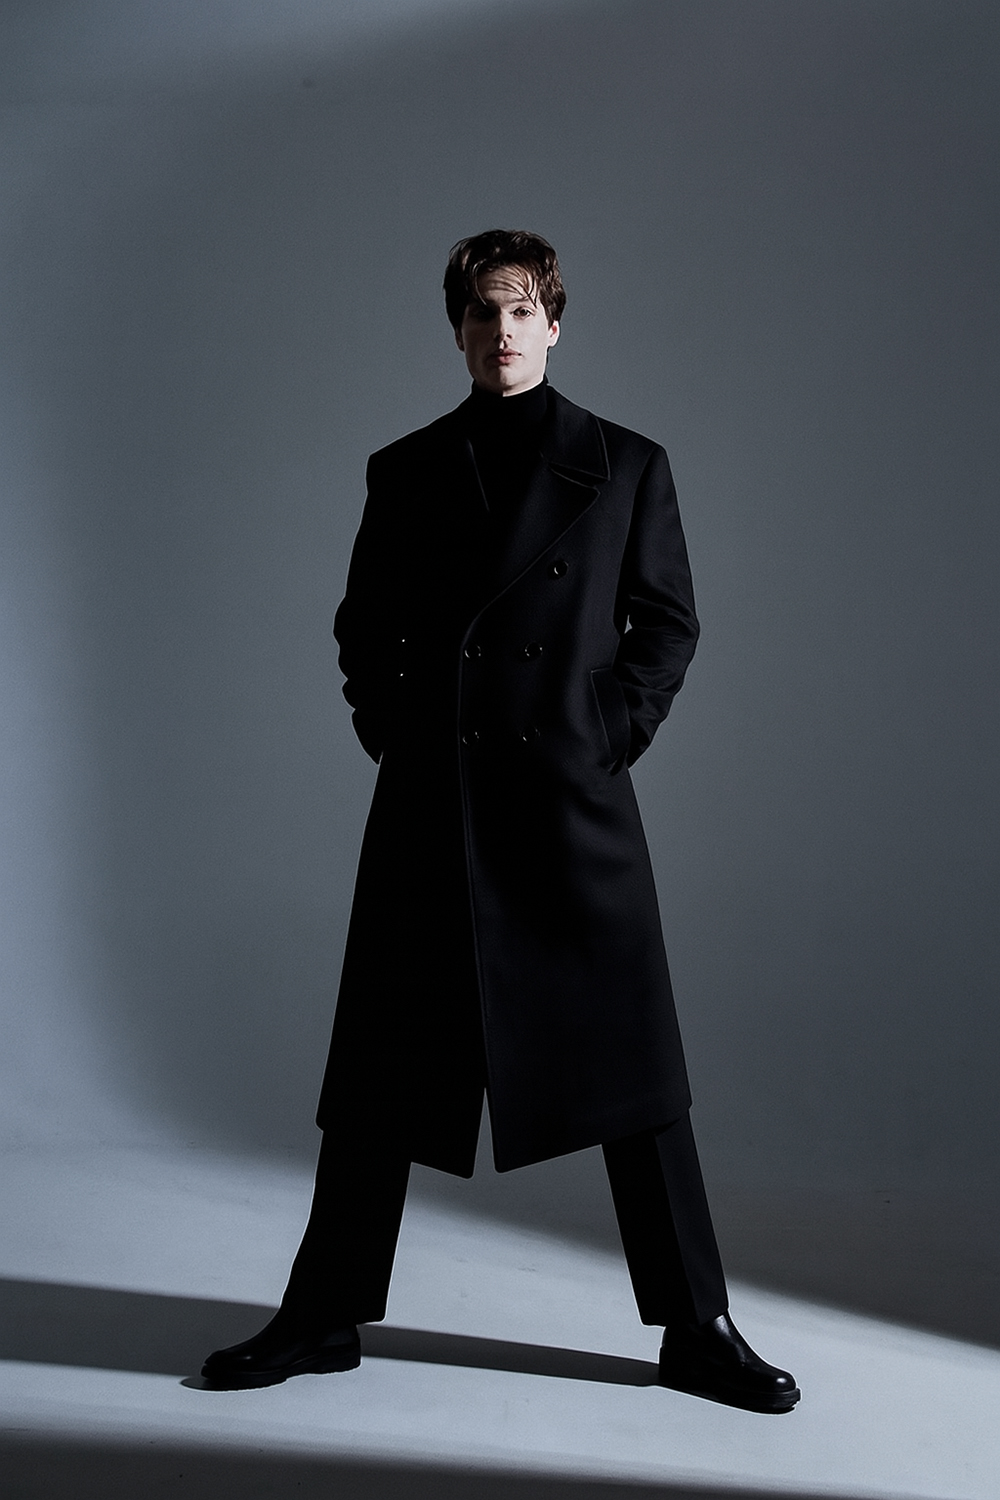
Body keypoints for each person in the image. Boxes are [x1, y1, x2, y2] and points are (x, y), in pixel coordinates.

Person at [202, 229, 800, 1413]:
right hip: (438, 805)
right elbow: (363, 627)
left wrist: (604, 733)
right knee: (380, 1073)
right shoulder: (406, 468)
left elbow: (666, 624)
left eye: (522, 310)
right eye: (482, 312)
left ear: (555, 324)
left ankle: (697, 1327)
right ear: (458, 331)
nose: (502, 331)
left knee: (638, 1077)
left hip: (570, 805)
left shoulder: (626, 465)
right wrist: (398, 733)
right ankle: (322, 1316)